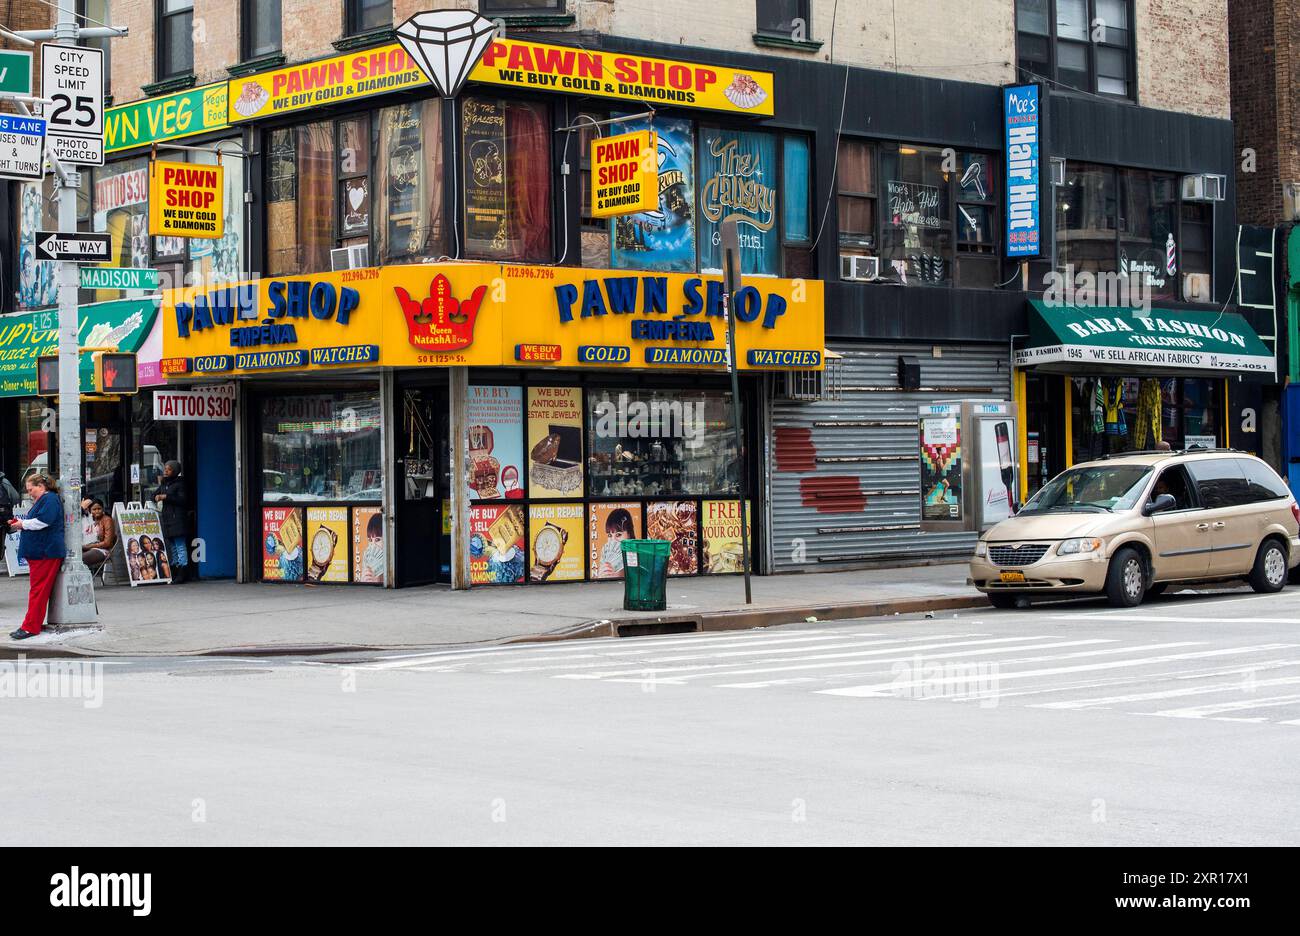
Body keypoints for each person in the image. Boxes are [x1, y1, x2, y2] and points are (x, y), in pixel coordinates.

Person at [6, 472, 65, 640]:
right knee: (38, 590)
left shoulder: (50, 499)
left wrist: (22, 524)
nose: (29, 492)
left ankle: (31, 626)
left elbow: (44, 521)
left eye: (31, 489)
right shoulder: (46, 500)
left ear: (41, 486)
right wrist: (20, 523)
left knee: (38, 591)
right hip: (42, 551)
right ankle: (31, 624)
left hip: (45, 552)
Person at [153, 459, 191, 583]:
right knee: (173, 547)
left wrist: (167, 497)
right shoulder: (164, 484)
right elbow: (153, 494)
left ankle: (182, 572)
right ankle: (175, 571)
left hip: (178, 518)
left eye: (168, 470)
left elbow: (183, 500)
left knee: (180, 546)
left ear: (174, 471)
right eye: (165, 469)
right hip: (168, 518)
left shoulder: (180, 484)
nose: (165, 472)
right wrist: (156, 496)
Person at [80, 498, 117, 567]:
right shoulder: (88, 520)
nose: (97, 511)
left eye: (99, 509)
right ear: (90, 510)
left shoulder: (107, 520)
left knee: (80, 559)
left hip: (103, 550)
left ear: (103, 509)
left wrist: (88, 546)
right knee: (71, 558)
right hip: (87, 548)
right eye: (94, 509)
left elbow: (107, 543)